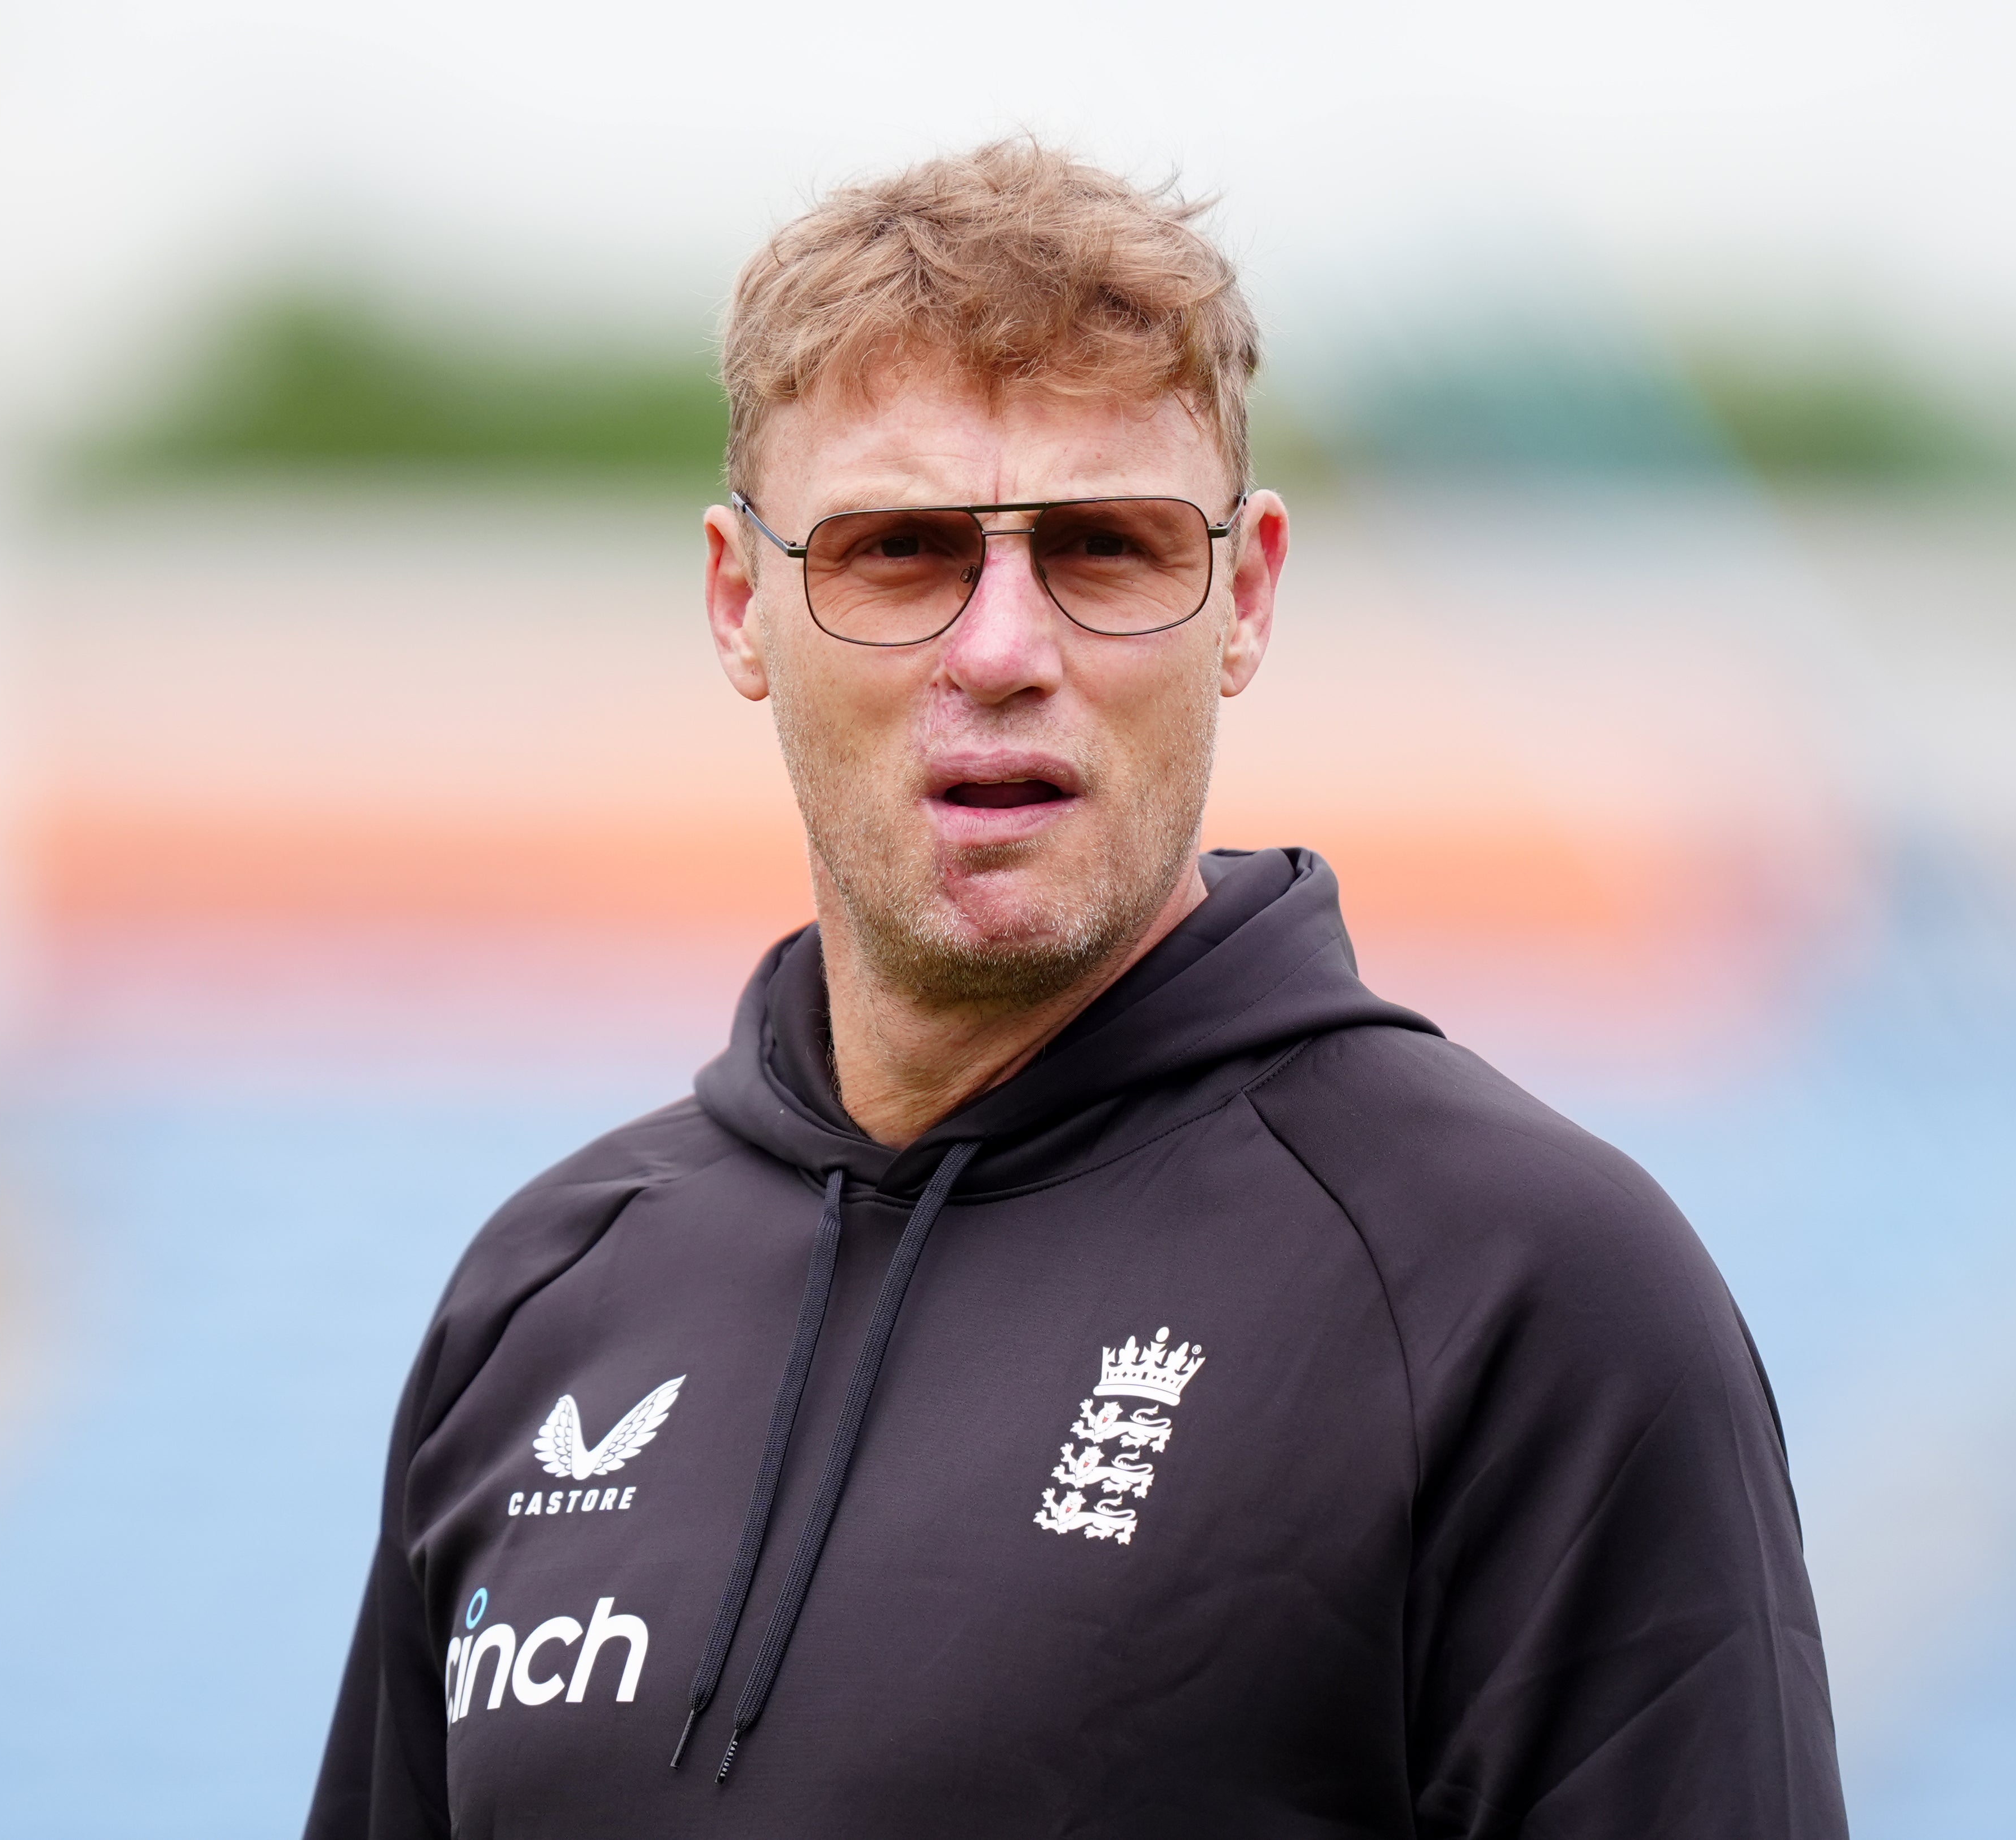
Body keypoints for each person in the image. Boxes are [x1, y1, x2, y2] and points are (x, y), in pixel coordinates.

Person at [304, 140, 1845, 1839]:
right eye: (899, 551)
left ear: (1244, 594)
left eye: (1103, 548)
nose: (1000, 649)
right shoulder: (543, 1296)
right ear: (744, 604)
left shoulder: (1526, 1291)